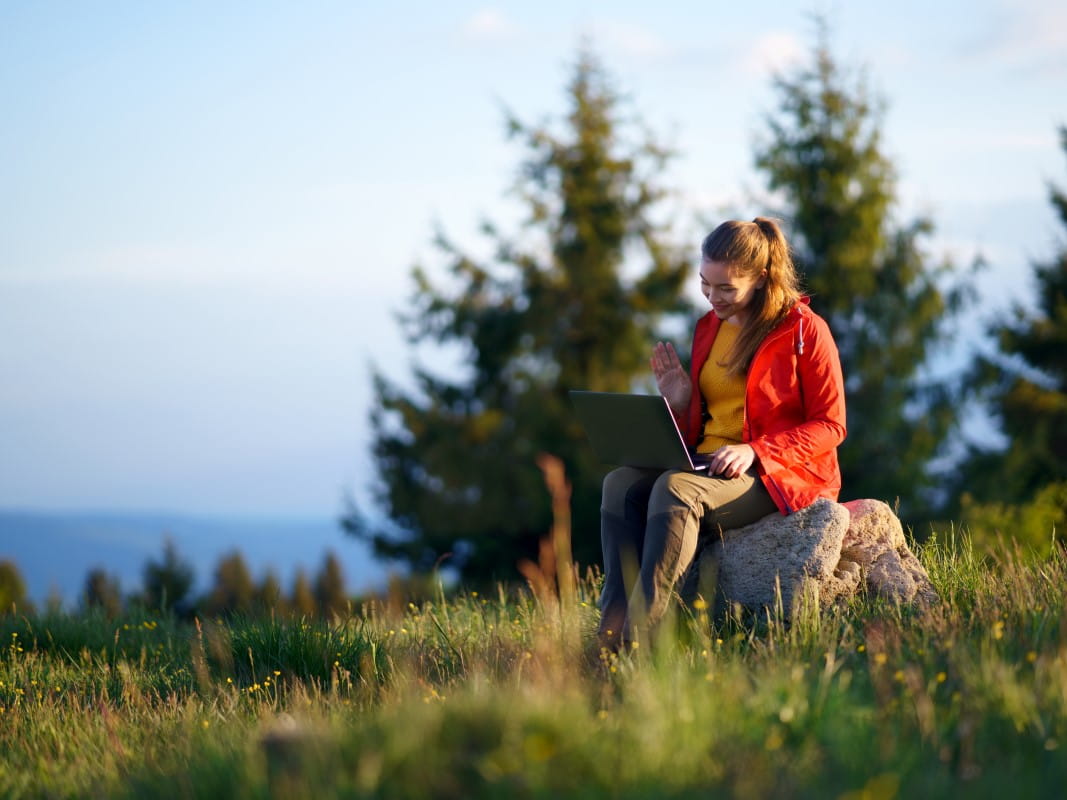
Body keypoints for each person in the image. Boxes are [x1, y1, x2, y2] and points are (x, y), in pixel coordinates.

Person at [597, 217, 846, 649]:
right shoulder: (709, 328)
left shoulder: (805, 331)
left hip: (775, 475)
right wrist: (678, 402)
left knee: (676, 490)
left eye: (726, 288)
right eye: (705, 285)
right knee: (619, 484)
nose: (713, 298)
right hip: (709, 464)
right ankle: (610, 632)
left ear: (762, 277)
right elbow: (704, 425)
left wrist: (756, 451)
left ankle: (641, 640)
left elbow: (831, 425)